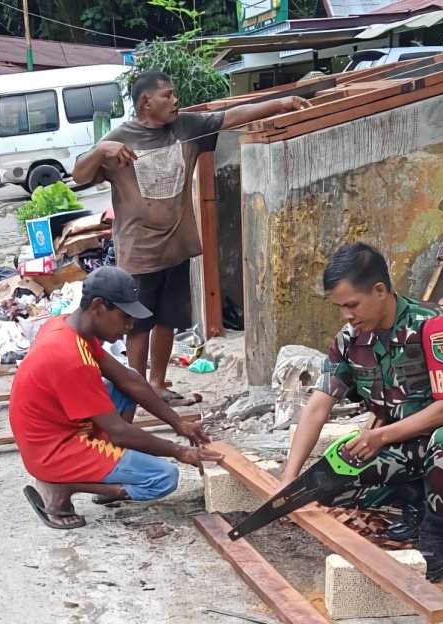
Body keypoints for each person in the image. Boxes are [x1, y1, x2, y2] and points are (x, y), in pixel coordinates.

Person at [72, 70, 311, 405]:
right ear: (146, 102)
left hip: (177, 246)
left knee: (169, 318)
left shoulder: (186, 126)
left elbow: (231, 116)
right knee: (139, 322)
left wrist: (281, 103)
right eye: (167, 95)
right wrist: (103, 151)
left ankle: (156, 384)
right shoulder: (119, 138)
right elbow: (79, 174)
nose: (175, 101)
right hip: (138, 251)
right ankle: (137, 389)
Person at [277, 243, 443, 581]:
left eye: (351, 305)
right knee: (325, 486)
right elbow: (319, 406)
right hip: (396, 445)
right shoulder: (349, 340)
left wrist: (381, 436)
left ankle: (435, 537)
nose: (346, 315)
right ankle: (414, 500)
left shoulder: (435, 327)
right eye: (340, 307)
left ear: (379, 290)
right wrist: (289, 479)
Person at [9, 265, 224, 530]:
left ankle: (103, 477)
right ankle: (61, 486)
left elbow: (128, 379)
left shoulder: (68, 326)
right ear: (99, 307)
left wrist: (178, 424)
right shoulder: (69, 358)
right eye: (125, 316)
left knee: (129, 378)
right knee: (163, 478)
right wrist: (180, 451)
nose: (130, 326)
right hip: (53, 450)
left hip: (58, 431)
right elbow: (118, 432)